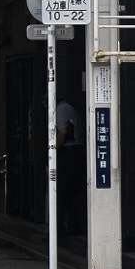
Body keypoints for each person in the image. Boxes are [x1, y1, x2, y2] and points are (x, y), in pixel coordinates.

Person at [55, 96, 85, 239]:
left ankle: (59, 228)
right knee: (74, 191)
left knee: (61, 190)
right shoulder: (70, 108)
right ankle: (75, 225)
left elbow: (63, 131)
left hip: (68, 153)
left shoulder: (60, 109)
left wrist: (53, 148)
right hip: (78, 152)